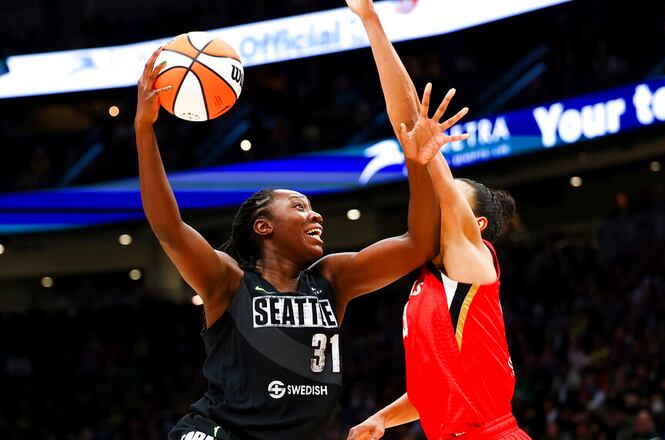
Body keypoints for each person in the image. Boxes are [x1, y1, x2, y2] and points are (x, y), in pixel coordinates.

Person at [134, 7, 469, 439]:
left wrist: (416, 161)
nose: (315, 215)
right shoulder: (229, 281)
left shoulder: (332, 279)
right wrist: (144, 130)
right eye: (298, 206)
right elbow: (169, 228)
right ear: (263, 226)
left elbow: (418, 243)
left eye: (310, 207)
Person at [346, 6, 523, 436]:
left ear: (475, 224)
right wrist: (381, 419)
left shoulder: (471, 259)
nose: (443, 195)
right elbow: (433, 390)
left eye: (453, 195)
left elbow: (408, 122)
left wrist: (370, 19)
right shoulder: (428, 280)